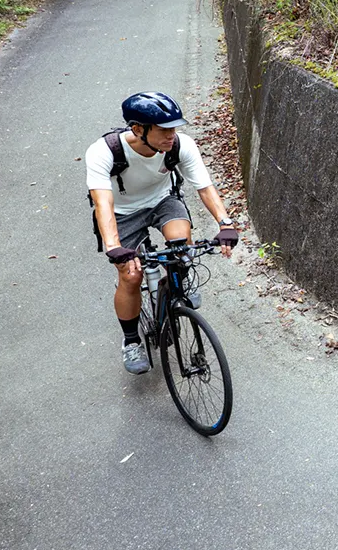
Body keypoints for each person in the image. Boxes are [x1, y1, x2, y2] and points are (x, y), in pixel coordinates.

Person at [86, 91, 240, 374]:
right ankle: (131, 341)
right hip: (122, 212)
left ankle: (177, 284)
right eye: (164, 130)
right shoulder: (104, 152)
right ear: (138, 129)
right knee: (131, 275)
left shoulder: (181, 145)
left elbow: (204, 186)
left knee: (182, 245)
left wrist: (225, 223)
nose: (172, 135)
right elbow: (102, 203)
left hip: (162, 201)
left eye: (174, 129)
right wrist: (114, 247)